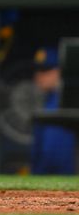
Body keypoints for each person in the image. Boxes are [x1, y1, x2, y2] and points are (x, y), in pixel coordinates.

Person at [30, 47, 76, 175]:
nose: (39, 76)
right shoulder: (45, 102)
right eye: (38, 70)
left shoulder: (71, 100)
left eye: (46, 70)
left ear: (59, 71)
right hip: (43, 175)